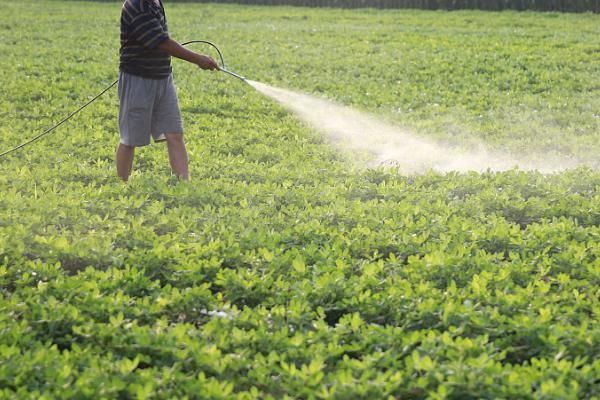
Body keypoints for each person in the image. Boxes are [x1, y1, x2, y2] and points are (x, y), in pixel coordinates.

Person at [117, 0, 218, 181]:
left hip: (163, 78)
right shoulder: (136, 6)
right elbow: (162, 42)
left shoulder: (155, 2)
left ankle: (184, 183)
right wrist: (198, 59)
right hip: (138, 80)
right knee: (130, 138)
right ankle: (121, 184)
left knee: (175, 133)